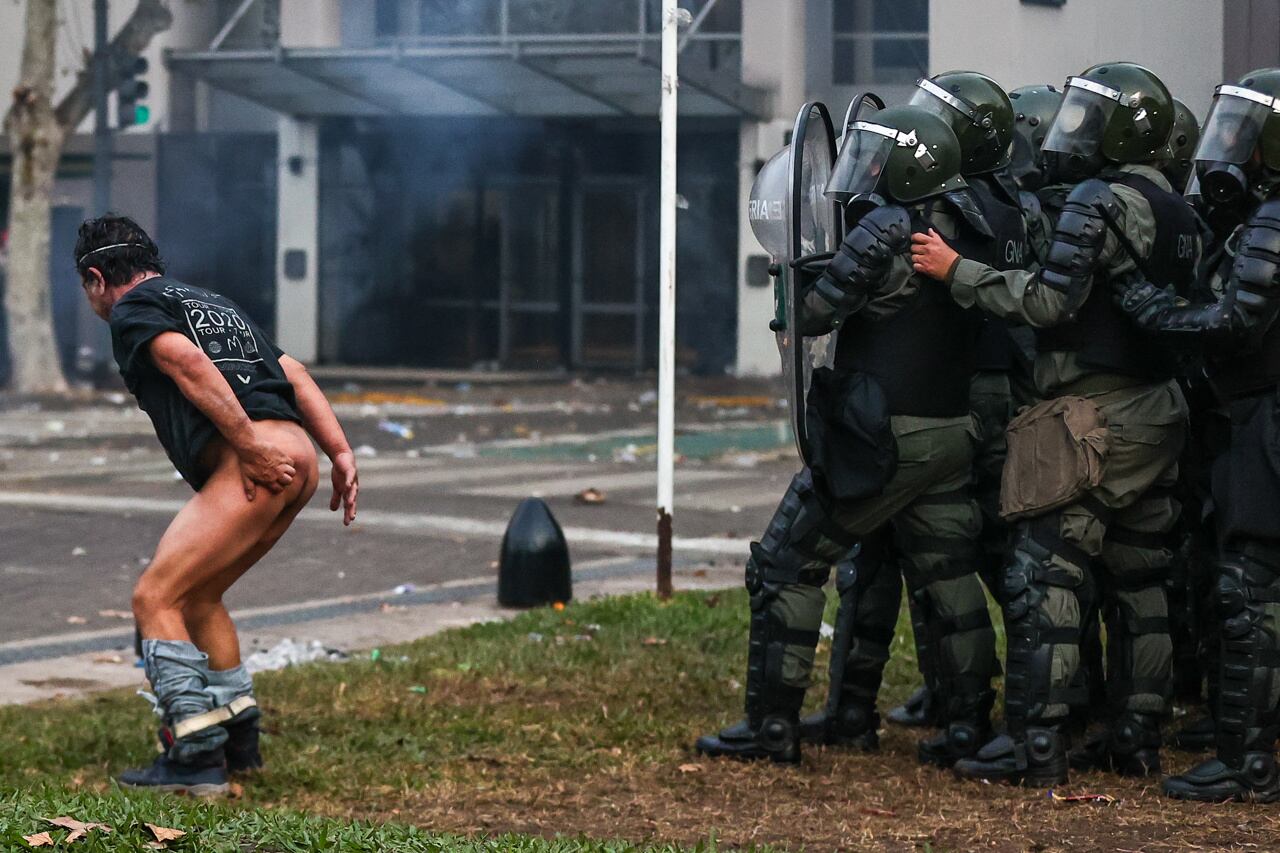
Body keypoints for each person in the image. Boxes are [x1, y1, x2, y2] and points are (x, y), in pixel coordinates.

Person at [910, 62, 1198, 785]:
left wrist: (955, 270)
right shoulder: (1178, 210)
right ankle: (1135, 739)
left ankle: (1037, 747)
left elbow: (1046, 304)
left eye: (1088, 118)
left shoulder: (1098, 201)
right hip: (1160, 411)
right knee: (1141, 580)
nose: (1072, 132)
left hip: (1093, 419)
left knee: (1046, 574)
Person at [695, 106, 992, 765]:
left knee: (785, 560)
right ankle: (970, 724)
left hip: (883, 438)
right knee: (948, 578)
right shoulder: (971, 219)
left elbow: (814, 313)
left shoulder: (886, 223)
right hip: (949, 430)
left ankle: (770, 725)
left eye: (877, 160)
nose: (865, 171)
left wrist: (791, 272)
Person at [74, 216, 360, 795]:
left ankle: (194, 755)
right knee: (199, 597)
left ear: (97, 277)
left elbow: (184, 363)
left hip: (256, 461)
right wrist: (339, 451)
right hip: (295, 455)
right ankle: (238, 737)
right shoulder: (208, 300)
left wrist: (249, 448)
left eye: (87, 289)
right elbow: (292, 371)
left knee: (154, 596)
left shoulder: (132, 310)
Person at [831, 73, 1030, 767]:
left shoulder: (948, 212)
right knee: (954, 562)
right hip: (973, 398)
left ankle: (980, 710)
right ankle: (964, 704)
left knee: (940, 561)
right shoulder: (1011, 205)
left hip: (949, 399)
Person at [1111, 68, 1280, 802]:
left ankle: (1247, 762)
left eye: (1245, 134)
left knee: (1249, 588)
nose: (1228, 151)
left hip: (1266, 418)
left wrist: (1148, 306)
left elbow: (1234, 323)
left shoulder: (1274, 218)